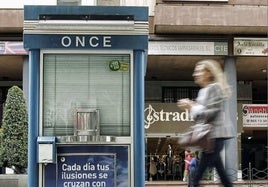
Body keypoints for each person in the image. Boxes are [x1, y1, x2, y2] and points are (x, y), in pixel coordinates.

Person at [177, 59, 234, 187]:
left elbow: (212, 113)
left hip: (216, 137)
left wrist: (192, 106)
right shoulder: (203, 92)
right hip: (210, 138)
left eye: (198, 71)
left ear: (208, 73)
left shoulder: (214, 88)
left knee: (196, 177)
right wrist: (191, 107)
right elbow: (200, 118)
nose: (195, 74)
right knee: (222, 175)